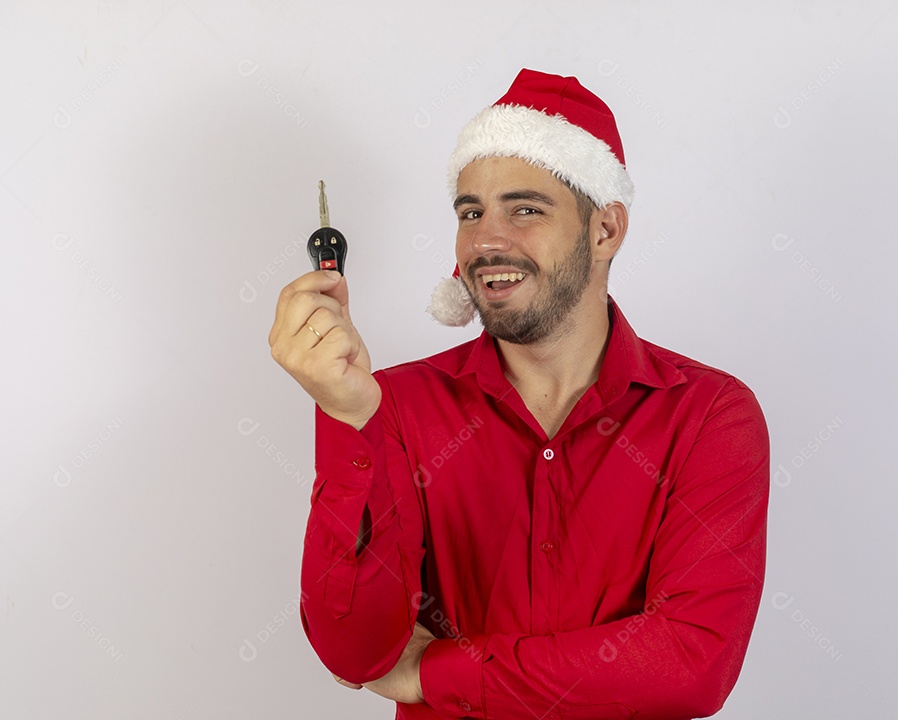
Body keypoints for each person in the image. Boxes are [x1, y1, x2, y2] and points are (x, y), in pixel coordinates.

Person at [269, 68, 770, 719]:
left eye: (525, 209)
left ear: (606, 230)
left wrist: (436, 670)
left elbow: (688, 666)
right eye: (470, 212)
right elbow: (356, 652)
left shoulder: (710, 416)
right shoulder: (391, 406)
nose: (486, 240)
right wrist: (345, 417)